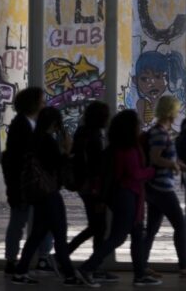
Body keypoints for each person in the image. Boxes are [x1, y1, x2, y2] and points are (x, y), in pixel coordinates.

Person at [76, 110, 159, 287]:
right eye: (137, 124)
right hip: (126, 196)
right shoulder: (126, 150)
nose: (140, 127)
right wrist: (153, 170)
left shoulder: (126, 146)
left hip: (132, 196)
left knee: (137, 234)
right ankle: (87, 268)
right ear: (130, 128)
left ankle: (140, 274)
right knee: (118, 237)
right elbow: (135, 174)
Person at [12, 107, 81, 286]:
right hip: (50, 194)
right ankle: (69, 275)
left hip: (38, 194)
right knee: (59, 233)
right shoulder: (47, 141)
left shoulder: (34, 138)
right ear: (54, 123)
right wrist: (67, 150)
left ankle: (20, 271)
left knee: (36, 235)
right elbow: (57, 165)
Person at [141, 96, 186, 277]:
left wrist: (182, 165)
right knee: (180, 225)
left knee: (151, 229)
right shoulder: (159, 133)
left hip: (154, 188)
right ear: (171, 111)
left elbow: (166, 156)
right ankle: (184, 266)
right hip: (161, 188)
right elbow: (155, 157)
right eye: (176, 109)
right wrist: (172, 165)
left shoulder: (162, 131)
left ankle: (141, 266)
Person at [1, 88, 55, 276]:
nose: (45, 104)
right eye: (42, 101)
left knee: (21, 222)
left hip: (25, 185)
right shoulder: (23, 126)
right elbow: (20, 158)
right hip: (25, 185)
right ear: (33, 104)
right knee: (26, 222)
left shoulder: (26, 124)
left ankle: (15, 259)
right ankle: (34, 258)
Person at [67, 101, 119, 283]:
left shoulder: (82, 132)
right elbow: (97, 168)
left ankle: (70, 257)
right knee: (99, 227)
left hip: (84, 186)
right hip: (94, 188)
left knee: (96, 226)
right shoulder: (95, 136)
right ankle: (89, 265)